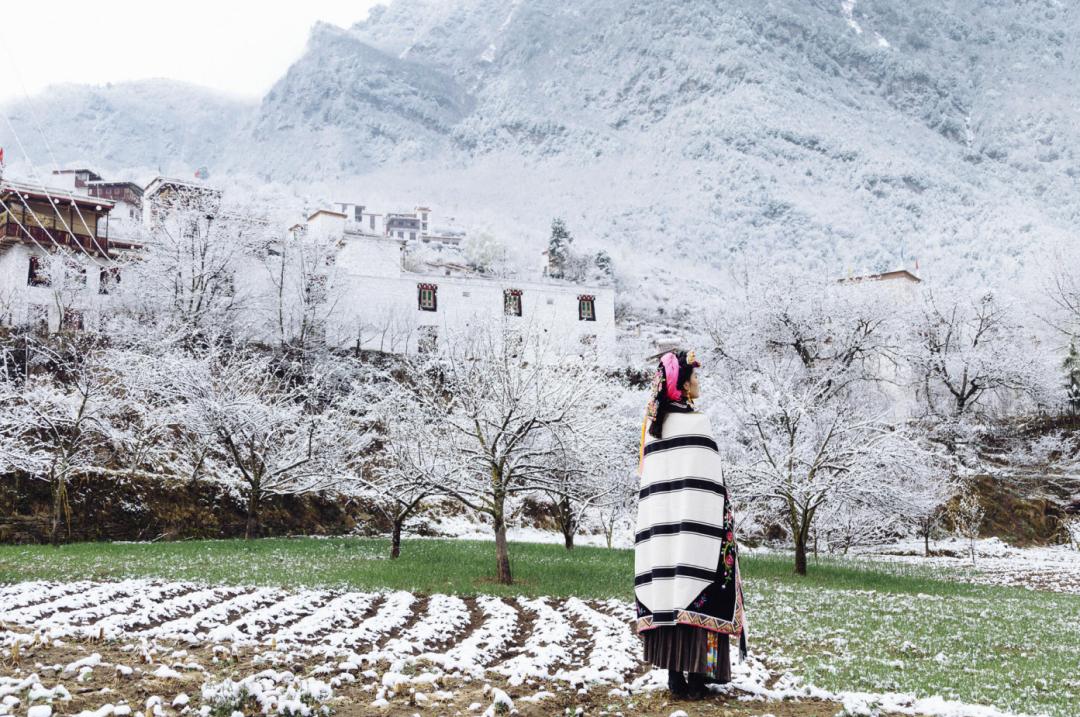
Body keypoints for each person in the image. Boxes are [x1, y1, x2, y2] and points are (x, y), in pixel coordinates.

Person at [633, 349, 747, 700]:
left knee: (670, 594)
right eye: (695, 377)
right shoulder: (698, 424)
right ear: (682, 385)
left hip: (663, 539)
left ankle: (674, 676)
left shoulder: (653, 431)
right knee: (700, 596)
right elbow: (712, 486)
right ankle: (698, 676)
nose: (699, 382)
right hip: (699, 533)